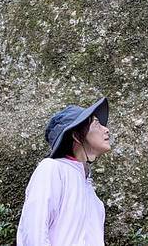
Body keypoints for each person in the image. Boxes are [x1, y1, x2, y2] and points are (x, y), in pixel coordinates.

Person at [17, 97, 111, 246]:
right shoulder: (51, 169)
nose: (106, 129)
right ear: (76, 135)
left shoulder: (89, 189)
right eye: (96, 123)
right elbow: (34, 233)